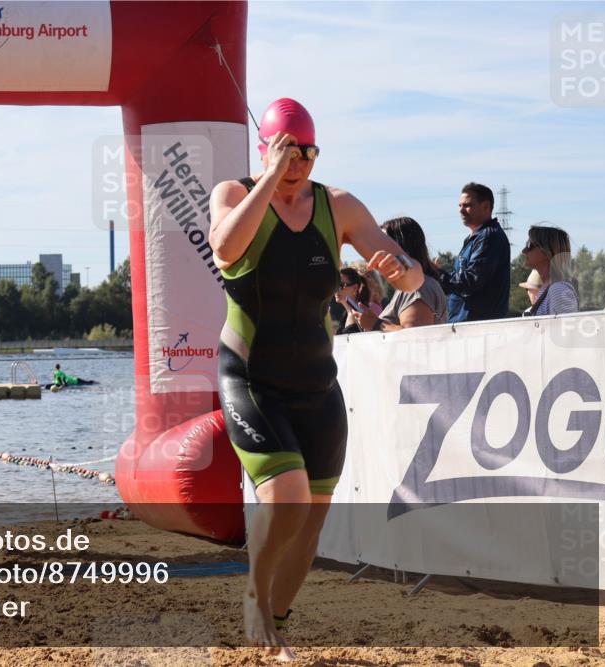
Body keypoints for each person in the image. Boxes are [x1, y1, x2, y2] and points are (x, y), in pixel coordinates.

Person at [208, 97, 423, 658]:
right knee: (286, 498)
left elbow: (407, 265)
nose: (301, 162)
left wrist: (403, 269)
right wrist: (269, 181)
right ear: (268, 148)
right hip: (251, 378)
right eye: (289, 151)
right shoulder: (233, 194)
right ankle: (255, 602)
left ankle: (275, 623)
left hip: (316, 388)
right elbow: (225, 248)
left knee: (311, 523)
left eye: (309, 152)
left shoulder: (337, 205)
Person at [354, 217, 448, 331]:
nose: (377, 251)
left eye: (383, 244)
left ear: (401, 247)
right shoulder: (413, 286)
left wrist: (376, 324)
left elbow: (414, 336)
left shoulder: (417, 287)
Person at [436, 182, 511, 322]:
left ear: (486, 207)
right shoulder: (476, 237)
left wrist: (437, 274)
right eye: (460, 206)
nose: (461, 210)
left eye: (467, 205)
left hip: (477, 327)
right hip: (466, 325)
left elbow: (472, 281)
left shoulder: (489, 236)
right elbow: (460, 285)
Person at [521, 225, 579, 316]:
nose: (524, 251)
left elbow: (565, 329)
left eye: (530, 245)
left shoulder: (558, 290)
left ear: (547, 251)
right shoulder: (547, 290)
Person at [333, 268, 373, 334]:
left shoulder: (361, 315)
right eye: (335, 285)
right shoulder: (347, 314)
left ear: (355, 288)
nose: (336, 289)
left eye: (341, 285)